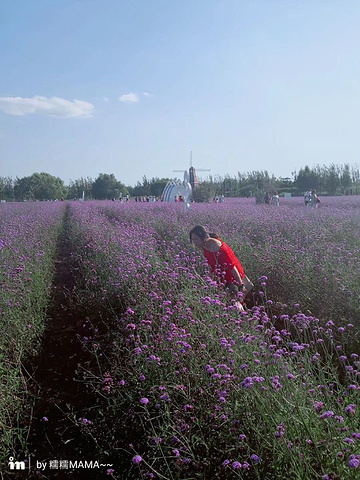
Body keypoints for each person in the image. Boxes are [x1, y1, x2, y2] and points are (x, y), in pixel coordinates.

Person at [189, 225, 246, 307]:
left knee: (234, 304)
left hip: (230, 279)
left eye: (196, 239)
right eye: (193, 240)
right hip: (220, 280)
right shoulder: (205, 245)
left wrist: (241, 284)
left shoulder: (217, 247)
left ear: (203, 237)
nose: (194, 242)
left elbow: (231, 266)